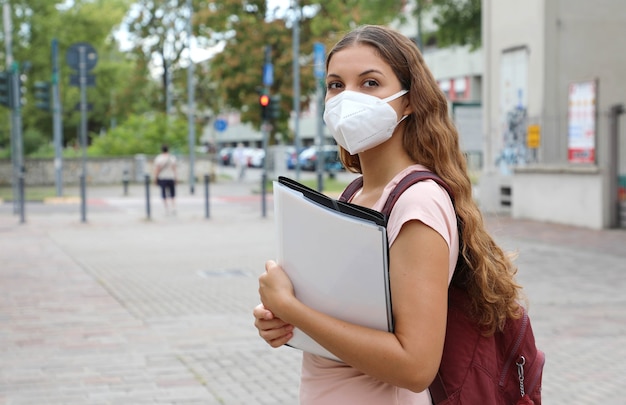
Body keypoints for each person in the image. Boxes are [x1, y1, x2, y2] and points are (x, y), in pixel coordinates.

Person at [253, 25, 525, 404]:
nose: (348, 98)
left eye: (369, 83)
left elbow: (415, 367)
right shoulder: (357, 194)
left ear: (409, 100)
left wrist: (293, 309)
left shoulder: (418, 205)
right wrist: (283, 324)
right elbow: (345, 324)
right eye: (335, 85)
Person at [153, 144, 177, 215]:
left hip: (162, 177)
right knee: (172, 193)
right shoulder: (172, 158)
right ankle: (173, 207)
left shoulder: (159, 158)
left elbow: (157, 169)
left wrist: (155, 178)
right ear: (168, 149)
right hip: (171, 177)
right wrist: (176, 177)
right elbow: (174, 169)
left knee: (164, 193)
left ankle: (167, 208)